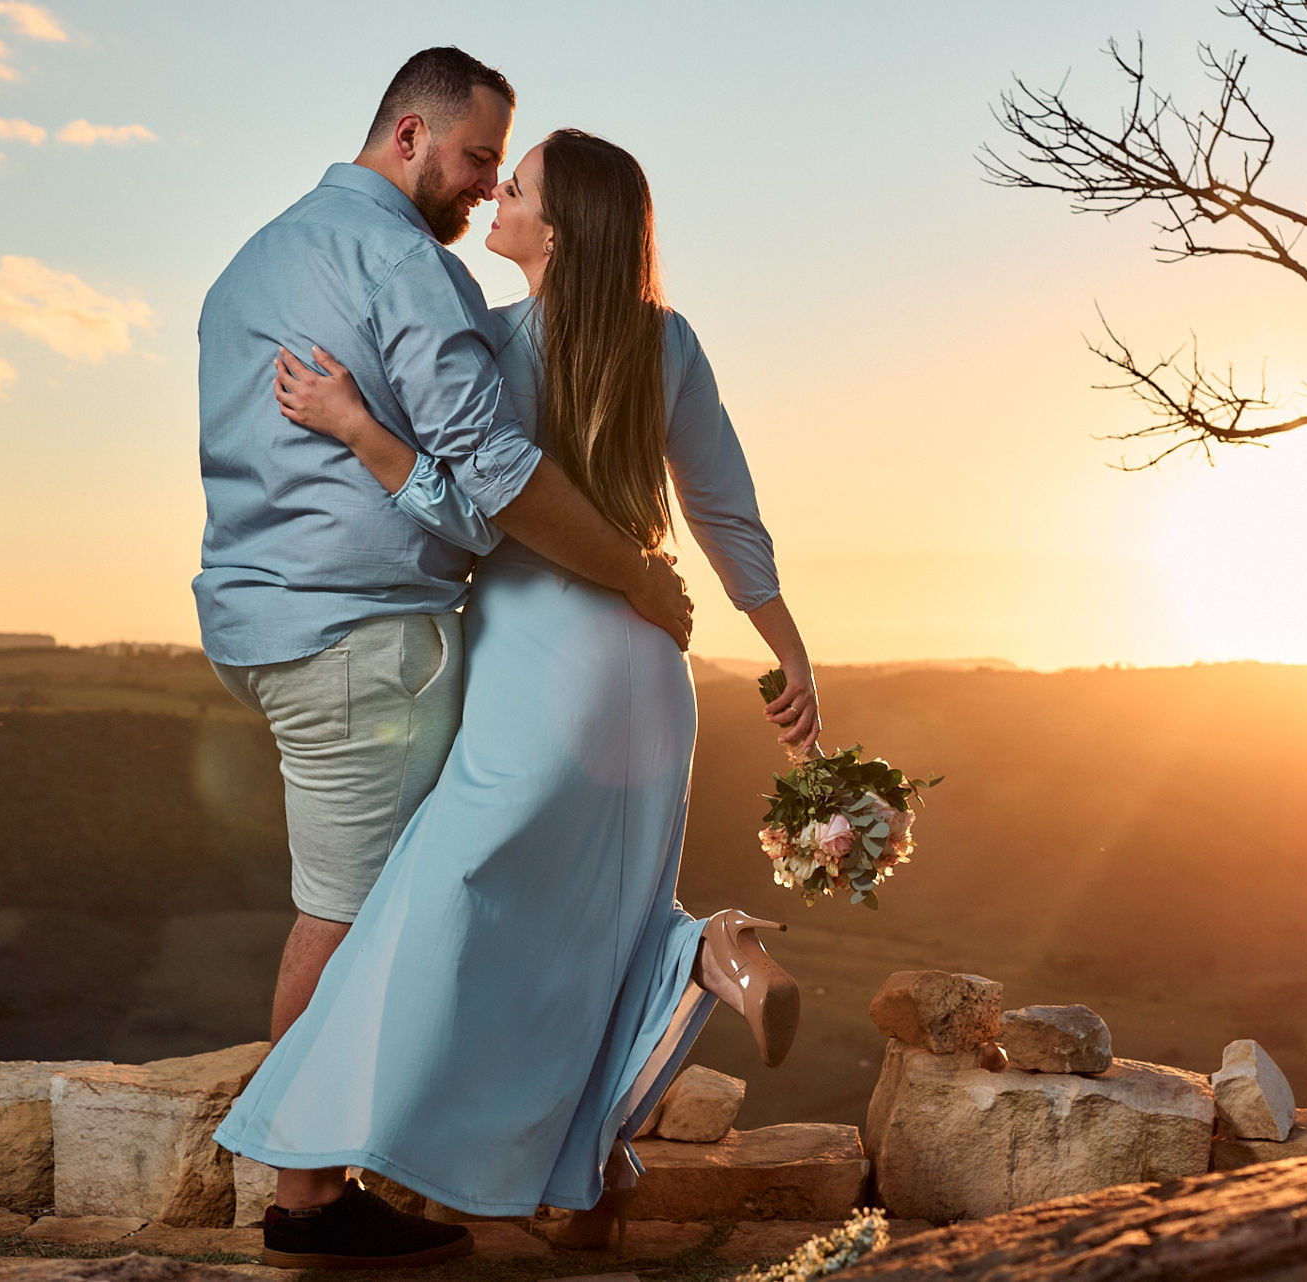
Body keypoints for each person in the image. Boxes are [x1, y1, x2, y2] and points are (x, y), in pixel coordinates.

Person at [213, 126, 820, 1264]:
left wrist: (354, 426)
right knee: (606, 916)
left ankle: (332, 1169)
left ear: (558, 228)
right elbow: (725, 512)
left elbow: (470, 502)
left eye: (521, 184)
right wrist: (789, 651)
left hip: (545, 667)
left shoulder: (487, 345)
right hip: (654, 670)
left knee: (432, 916)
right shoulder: (668, 342)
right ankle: (668, 1030)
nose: (498, 191)